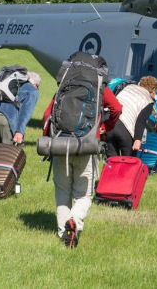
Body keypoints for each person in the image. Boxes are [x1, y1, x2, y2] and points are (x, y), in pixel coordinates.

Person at [51, 56, 122, 248]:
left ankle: (62, 233)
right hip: (87, 144)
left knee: (62, 192)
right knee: (83, 195)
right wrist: (104, 126)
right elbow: (116, 108)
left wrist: (51, 142)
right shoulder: (100, 86)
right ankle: (74, 220)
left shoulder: (65, 84)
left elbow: (47, 114)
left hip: (60, 144)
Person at [105, 75, 157, 158]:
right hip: (125, 130)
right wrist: (138, 140)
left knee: (111, 162)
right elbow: (140, 121)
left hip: (110, 126)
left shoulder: (128, 87)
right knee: (128, 163)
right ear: (153, 90)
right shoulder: (148, 101)